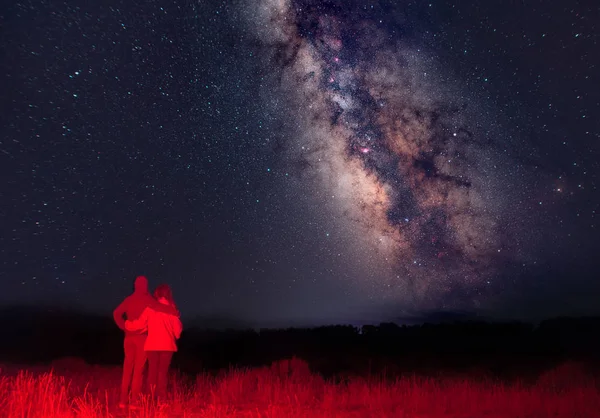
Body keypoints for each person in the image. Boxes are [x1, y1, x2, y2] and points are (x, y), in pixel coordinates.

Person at [113, 275, 180, 408]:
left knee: (128, 369)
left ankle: (122, 400)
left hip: (129, 337)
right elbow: (161, 308)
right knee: (140, 370)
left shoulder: (128, 299)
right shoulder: (149, 301)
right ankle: (135, 402)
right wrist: (173, 311)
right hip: (142, 338)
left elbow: (116, 313)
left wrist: (124, 325)